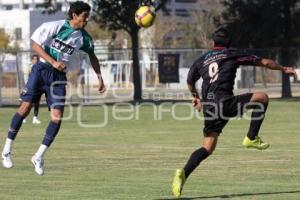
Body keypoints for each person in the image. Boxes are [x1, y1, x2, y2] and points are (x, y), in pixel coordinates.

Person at [171, 27, 296, 197]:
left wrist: (196, 97)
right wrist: (283, 69)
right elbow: (265, 62)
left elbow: (190, 81)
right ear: (228, 44)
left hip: (209, 107)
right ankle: (251, 137)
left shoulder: (201, 60)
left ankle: (183, 173)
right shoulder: (232, 54)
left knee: (207, 147)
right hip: (225, 103)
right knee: (263, 98)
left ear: (213, 43)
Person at [1, 1, 105, 175]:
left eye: (88, 16)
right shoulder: (55, 26)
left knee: (57, 118)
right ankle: (6, 150)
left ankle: (38, 156)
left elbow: (92, 57)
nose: (87, 20)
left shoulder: (84, 38)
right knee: (25, 108)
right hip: (41, 70)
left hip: (58, 78)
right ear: (75, 15)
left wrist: (100, 77)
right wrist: (52, 62)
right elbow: (35, 44)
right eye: (84, 16)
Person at [22, 54, 42, 124]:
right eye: (34, 59)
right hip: (29, 87)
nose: (36, 61)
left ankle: (35, 118)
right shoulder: (28, 67)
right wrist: (28, 87)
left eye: (37, 59)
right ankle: (23, 117)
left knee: (37, 103)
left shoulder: (40, 67)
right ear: (32, 60)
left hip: (37, 88)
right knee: (26, 103)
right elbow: (26, 79)